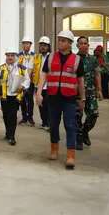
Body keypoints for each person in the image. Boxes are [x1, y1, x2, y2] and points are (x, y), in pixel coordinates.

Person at [36, 30, 85, 170]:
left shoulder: (76, 60)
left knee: (70, 126)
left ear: (70, 44)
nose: (60, 43)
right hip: (53, 97)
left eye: (63, 40)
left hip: (69, 99)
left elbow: (80, 81)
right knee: (53, 125)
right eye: (59, 40)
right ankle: (54, 149)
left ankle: (70, 155)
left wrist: (82, 98)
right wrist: (38, 92)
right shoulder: (51, 57)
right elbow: (43, 75)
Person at [0, 48, 30, 145]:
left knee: (12, 116)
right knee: (5, 115)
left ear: (16, 57)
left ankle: (12, 136)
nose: (10, 57)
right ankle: (8, 133)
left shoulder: (21, 68)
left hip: (15, 96)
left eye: (12, 55)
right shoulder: (1, 68)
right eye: (8, 55)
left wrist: (23, 86)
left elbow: (27, 80)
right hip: (4, 95)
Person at [76, 36, 102, 150]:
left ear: (88, 45)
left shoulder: (93, 59)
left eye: (85, 43)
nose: (83, 45)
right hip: (76, 93)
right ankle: (78, 139)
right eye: (80, 43)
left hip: (90, 92)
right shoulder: (73, 59)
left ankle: (84, 132)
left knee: (93, 114)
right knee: (77, 116)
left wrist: (99, 89)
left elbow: (97, 74)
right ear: (77, 46)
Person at [33, 36, 52, 131]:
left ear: (49, 47)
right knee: (40, 105)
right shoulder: (36, 57)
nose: (43, 47)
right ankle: (44, 122)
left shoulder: (52, 57)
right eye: (41, 45)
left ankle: (49, 123)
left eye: (45, 45)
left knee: (48, 105)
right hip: (38, 85)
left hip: (48, 85)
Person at [18, 36, 35, 126]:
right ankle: (24, 117)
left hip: (31, 80)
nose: (26, 45)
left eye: (28, 43)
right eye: (24, 43)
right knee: (22, 100)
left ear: (30, 45)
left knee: (30, 99)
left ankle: (30, 117)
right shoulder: (19, 55)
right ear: (22, 45)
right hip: (21, 80)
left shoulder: (34, 55)